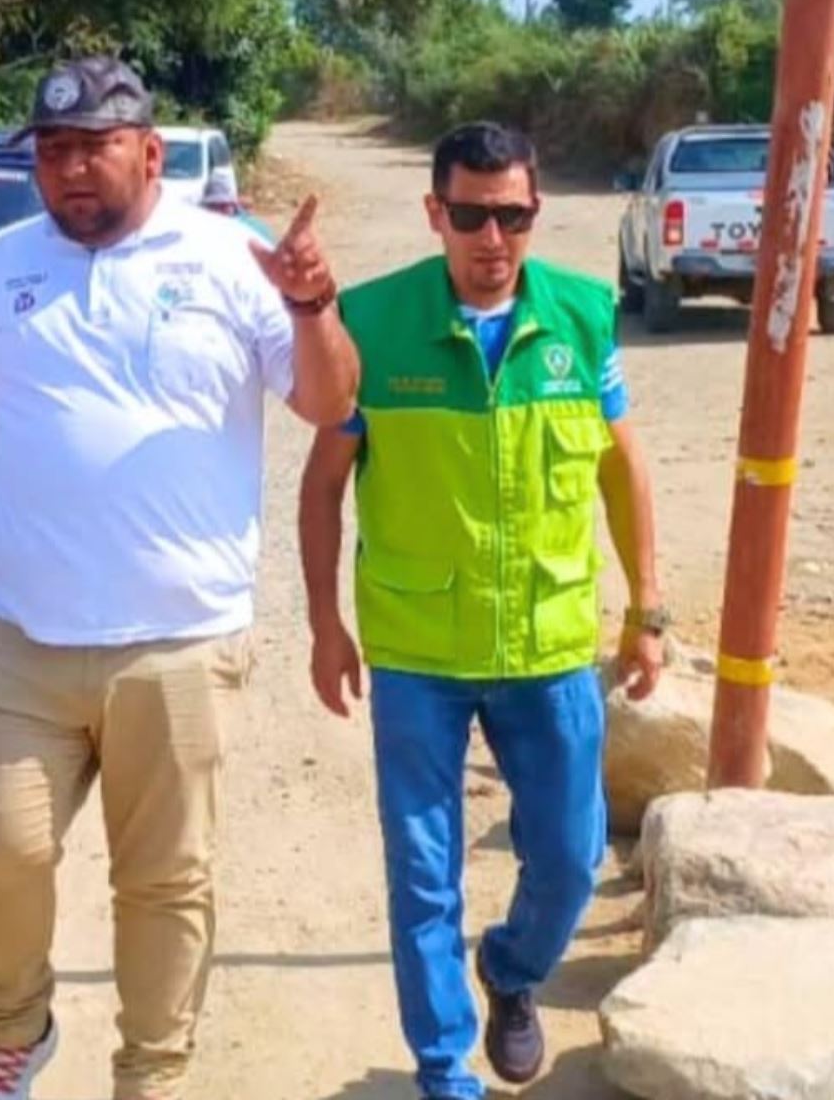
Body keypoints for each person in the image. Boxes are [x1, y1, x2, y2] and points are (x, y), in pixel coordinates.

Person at [0, 57, 360, 1100]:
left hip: (179, 639)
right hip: (19, 631)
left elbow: (329, 404)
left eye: (93, 148)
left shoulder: (230, 257)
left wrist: (312, 305)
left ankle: (151, 1073)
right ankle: (16, 1033)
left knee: (163, 881)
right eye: (52, 151)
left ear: (149, 152)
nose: (70, 170)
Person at [297, 121, 665, 1100]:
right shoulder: (374, 322)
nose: (492, 238)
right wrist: (326, 623)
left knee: (573, 856)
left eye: (512, 215)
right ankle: (443, 1069)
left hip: (548, 647)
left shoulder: (585, 316)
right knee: (424, 873)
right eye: (470, 216)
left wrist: (649, 609)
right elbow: (323, 482)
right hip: (418, 649)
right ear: (436, 214)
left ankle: (511, 969)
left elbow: (621, 471)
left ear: (536, 212)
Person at [199, 172, 273, 242]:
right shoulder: (203, 229)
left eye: (223, 205)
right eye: (212, 206)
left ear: (233, 205)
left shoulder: (253, 228)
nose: (218, 212)